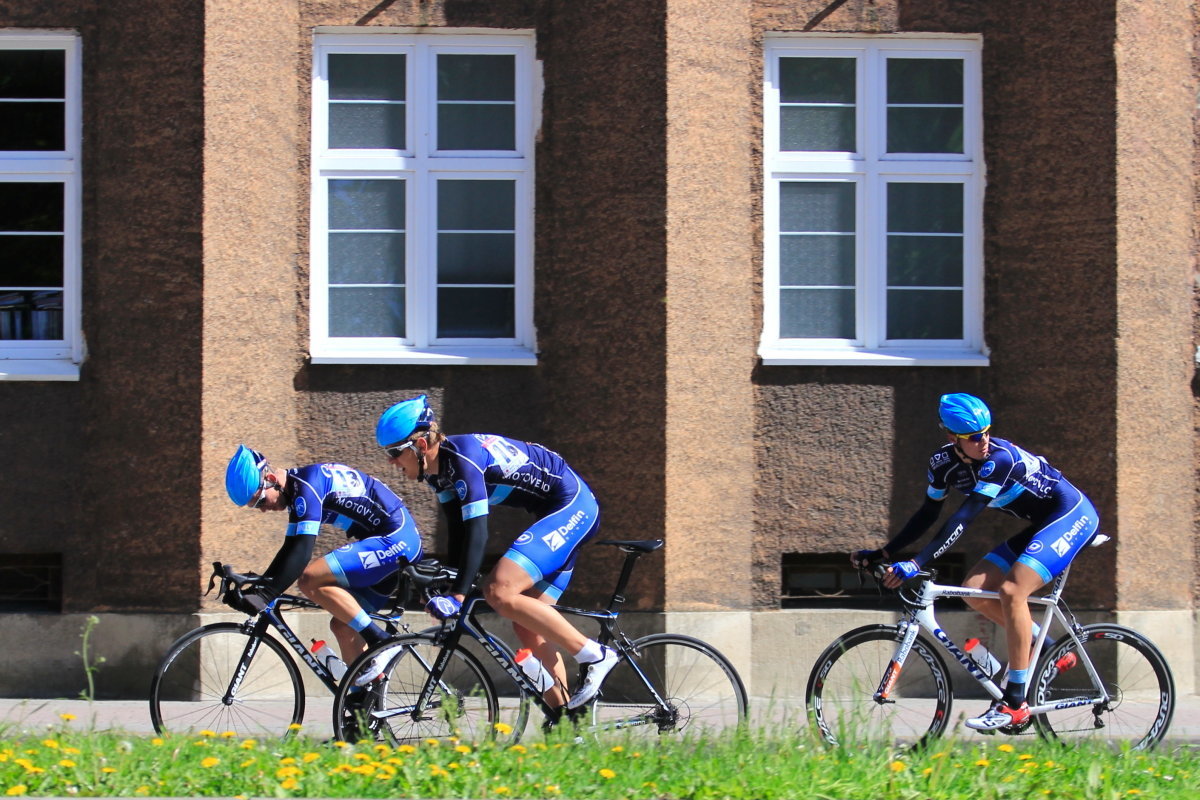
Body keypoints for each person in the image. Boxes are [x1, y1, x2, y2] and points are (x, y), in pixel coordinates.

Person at [851, 393, 1099, 731]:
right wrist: (884, 553)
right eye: (974, 437)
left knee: (1012, 591)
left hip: (1071, 515)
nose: (984, 441)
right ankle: (1050, 651)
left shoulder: (998, 459)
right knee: (973, 589)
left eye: (986, 431)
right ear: (952, 437)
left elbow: (964, 517)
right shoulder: (942, 464)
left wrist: (917, 561)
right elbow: (928, 513)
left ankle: (1015, 701)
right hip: (1042, 524)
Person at [374, 394, 615, 712]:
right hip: (554, 513)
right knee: (526, 622)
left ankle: (594, 655)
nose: (391, 462)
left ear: (419, 446)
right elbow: (458, 530)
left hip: (572, 506)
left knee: (499, 589)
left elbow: (478, 531)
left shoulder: (462, 460)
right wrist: (449, 581)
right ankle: (567, 720)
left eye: (394, 452)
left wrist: (459, 595)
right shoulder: (437, 472)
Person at [223, 445, 423, 680]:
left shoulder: (307, 487)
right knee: (343, 626)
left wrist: (266, 595)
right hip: (387, 544)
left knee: (309, 578)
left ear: (270, 479)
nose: (263, 510)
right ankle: (363, 703)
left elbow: (301, 553)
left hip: (397, 540)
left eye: (259, 501)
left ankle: (381, 640)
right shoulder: (299, 491)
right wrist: (256, 586)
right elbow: (289, 549)